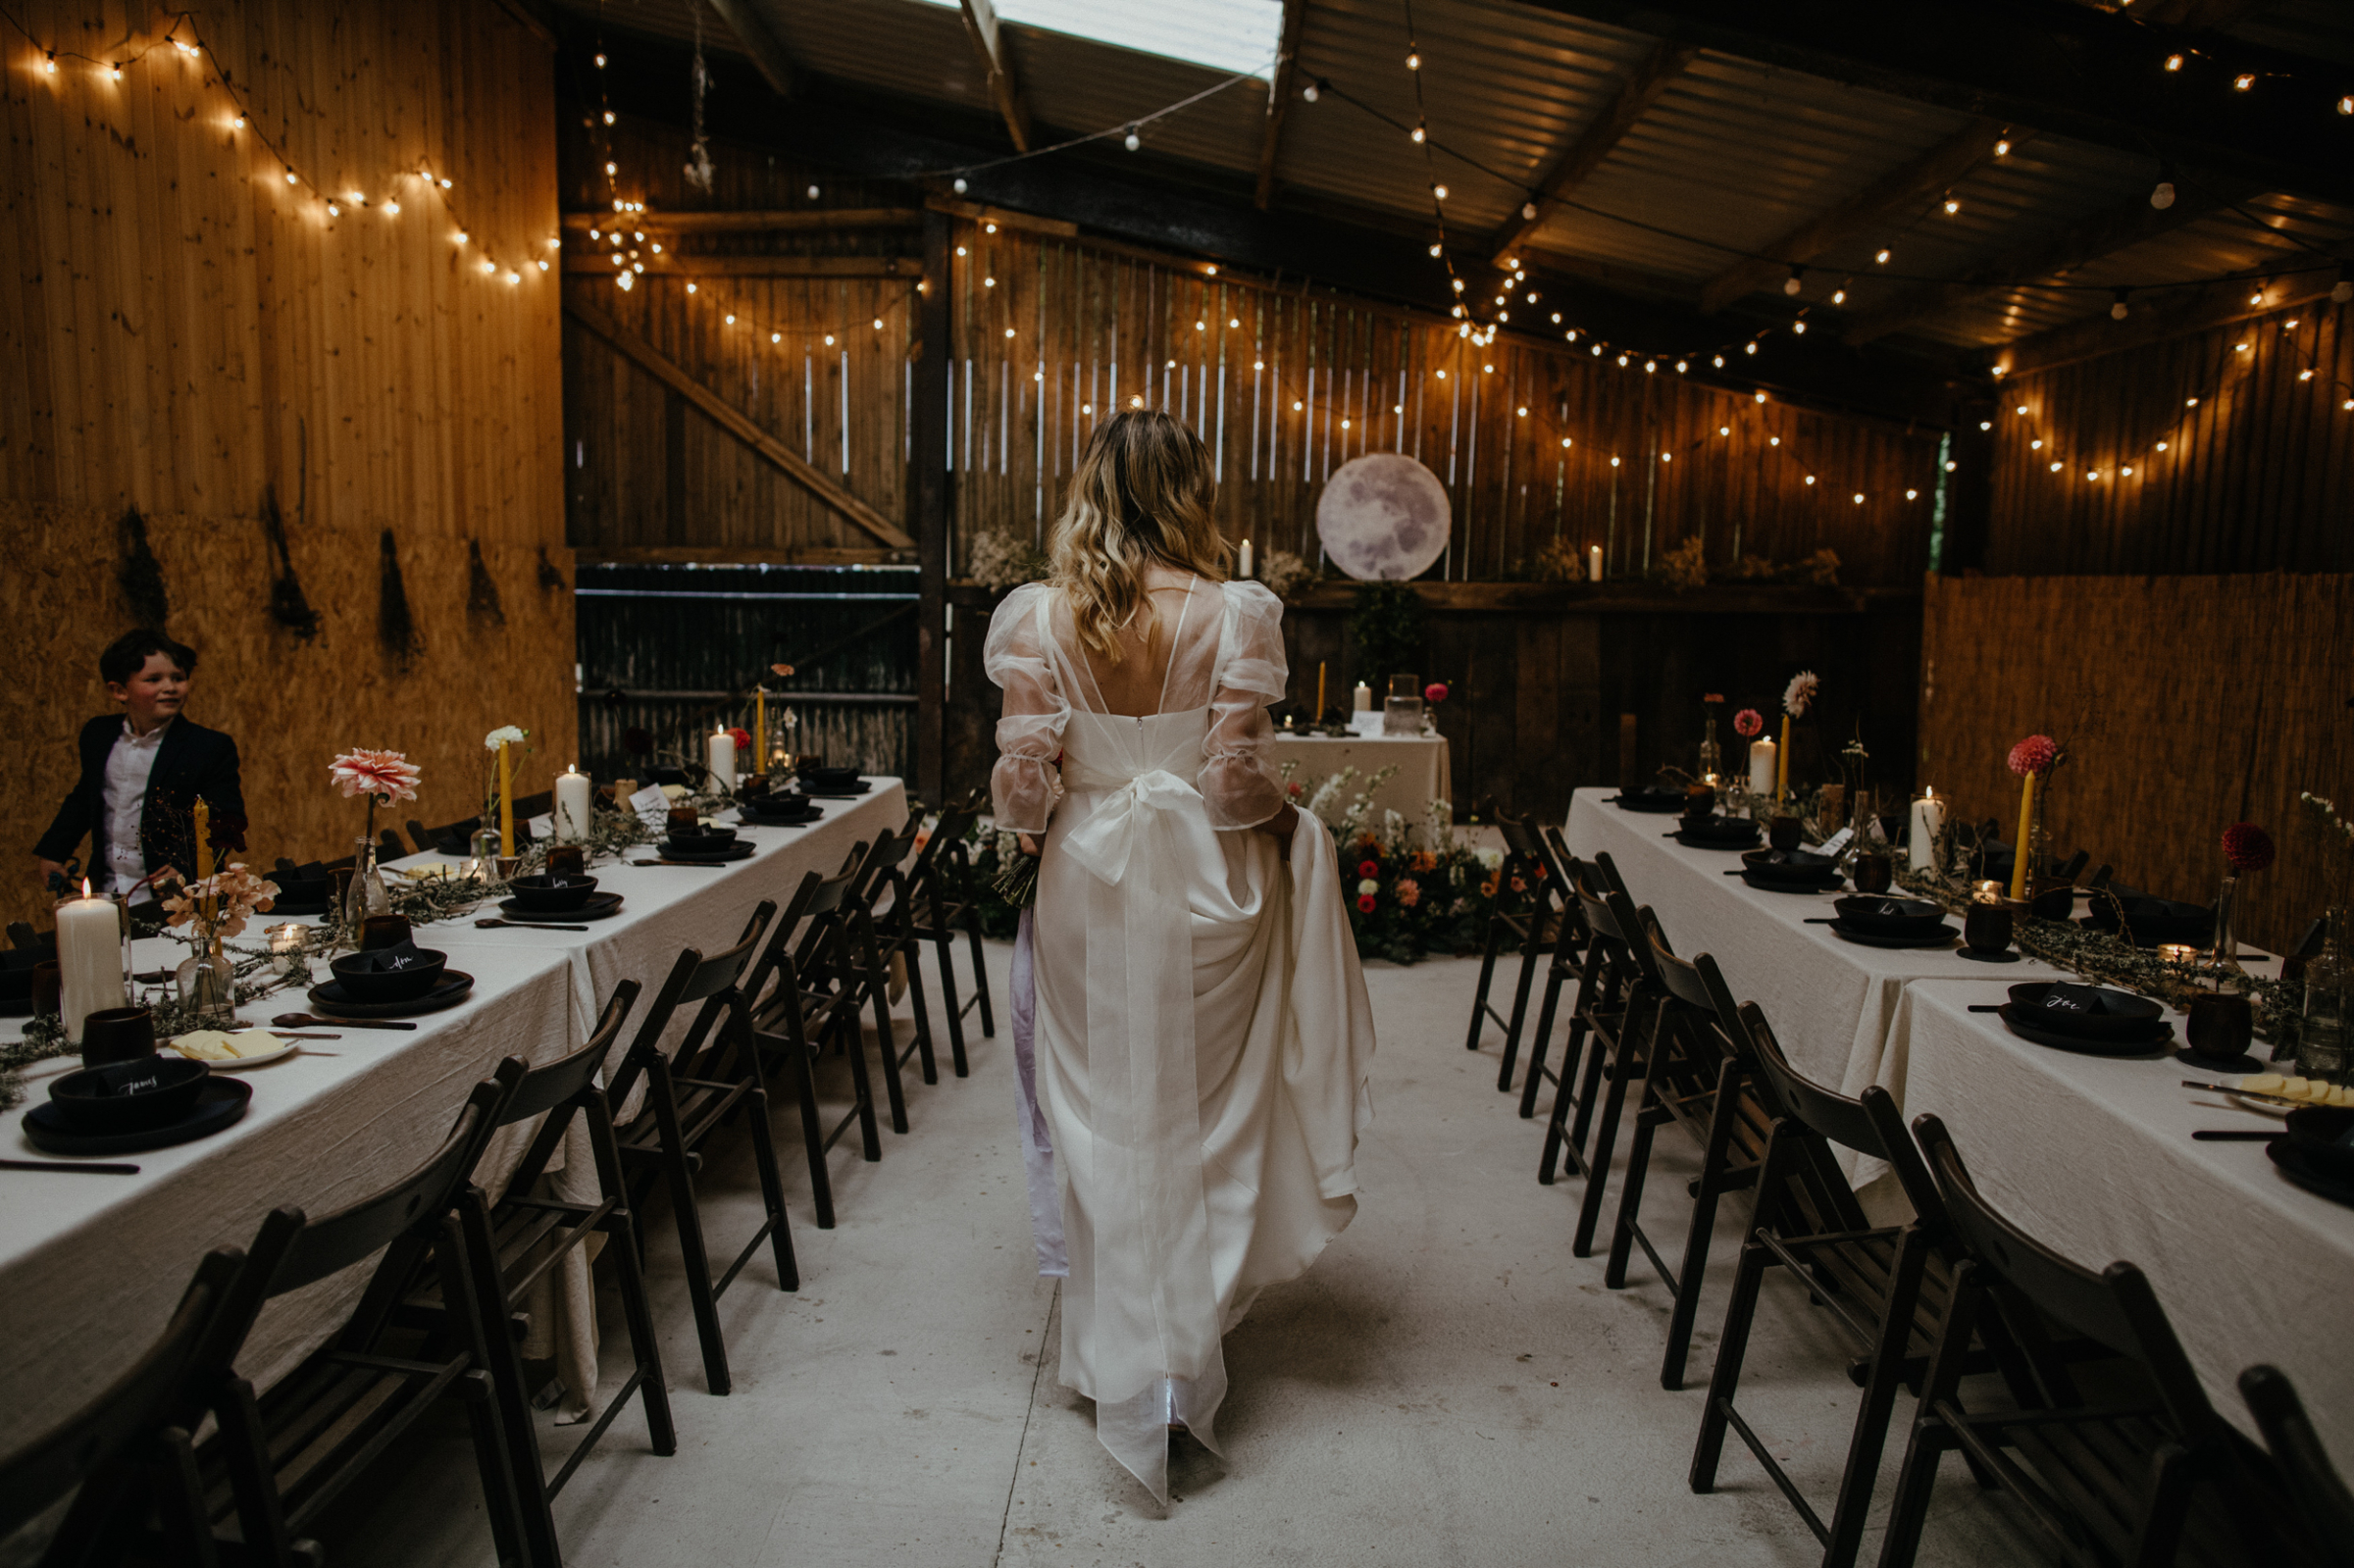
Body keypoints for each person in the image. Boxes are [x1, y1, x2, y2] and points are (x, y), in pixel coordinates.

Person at [986, 410, 1375, 1503]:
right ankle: (1177, 1362)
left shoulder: (1041, 618)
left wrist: (1051, 801)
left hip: (1083, 882)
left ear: (1093, 489)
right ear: (1187, 492)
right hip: (1212, 882)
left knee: (1104, 1115)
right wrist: (1289, 821)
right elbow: (1236, 784)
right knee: (1205, 1118)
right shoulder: (1237, 613)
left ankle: (1123, 1356)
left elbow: (1023, 795)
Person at [33, 630, 245, 897]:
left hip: (177, 894)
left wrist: (185, 864)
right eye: (154, 679)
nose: (170, 687)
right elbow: (83, 798)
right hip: (110, 888)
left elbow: (226, 817)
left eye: (178, 678)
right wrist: (54, 852)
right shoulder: (98, 735)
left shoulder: (207, 747)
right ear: (119, 690)